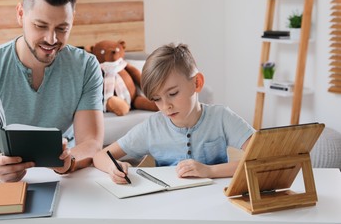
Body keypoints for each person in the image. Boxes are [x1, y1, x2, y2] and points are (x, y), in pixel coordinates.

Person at [0, 0, 104, 220]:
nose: (51, 39)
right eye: (40, 26)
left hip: (60, 180)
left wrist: (69, 161)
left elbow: (91, 142)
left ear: (73, 20)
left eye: (62, 28)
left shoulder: (86, 67)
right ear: (21, 13)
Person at [93, 43, 254, 184]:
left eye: (173, 93)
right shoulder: (152, 127)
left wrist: (210, 171)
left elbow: (263, 156)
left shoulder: (221, 117)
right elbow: (100, 156)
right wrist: (113, 167)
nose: (166, 106)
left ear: (197, 83)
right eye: (157, 99)